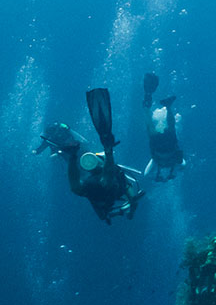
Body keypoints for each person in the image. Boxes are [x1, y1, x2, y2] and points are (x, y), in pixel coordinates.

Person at [60, 89, 144, 224]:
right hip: (105, 186)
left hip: (110, 186)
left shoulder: (110, 178)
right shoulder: (98, 180)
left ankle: (123, 213)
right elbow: (106, 174)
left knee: (105, 193)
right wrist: (107, 150)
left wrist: (73, 157)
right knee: (103, 202)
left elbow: (107, 175)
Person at [141, 73, 185, 181]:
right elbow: (183, 164)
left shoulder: (158, 162)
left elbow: (146, 173)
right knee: (152, 127)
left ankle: (166, 107)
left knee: (169, 128)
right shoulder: (158, 162)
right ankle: (150, 107)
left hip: (165, 145)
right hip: (162, 145)